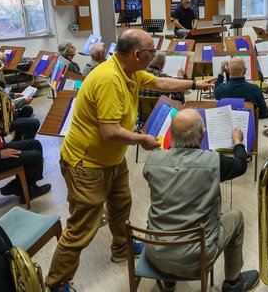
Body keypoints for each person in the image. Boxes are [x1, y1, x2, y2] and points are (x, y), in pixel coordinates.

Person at [45, 29, 215, 291]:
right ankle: (56, 283)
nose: (155, 55)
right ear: (138, 54)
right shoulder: (109, 79)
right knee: (82, 226)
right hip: (86, 163)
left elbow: (161, 83)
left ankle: (121, 247)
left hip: (112, 158)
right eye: (151, 52)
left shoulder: (129, 70)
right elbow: (110, 131)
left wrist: (194, 84)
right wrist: (141, 139)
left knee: (121, 204)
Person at [143, 109, 259, 292]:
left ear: (170, 134)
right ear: (202, 134)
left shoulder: (153, 160)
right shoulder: (213, 161)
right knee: (236, 217)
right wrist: (238, 142)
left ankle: (169, 280)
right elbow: (240, 165)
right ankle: (233, 282)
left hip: (156, 252)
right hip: (196, 257)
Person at [0, 50, 40, 141]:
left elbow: (2, 94)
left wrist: (13, 95)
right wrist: (24, 101)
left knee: (28, 110)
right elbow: (3, 104)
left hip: (5, 111)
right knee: (34, 123)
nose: (5, 66)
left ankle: (17, 140)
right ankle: (25, 146)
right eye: (3, 63)